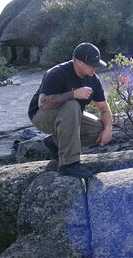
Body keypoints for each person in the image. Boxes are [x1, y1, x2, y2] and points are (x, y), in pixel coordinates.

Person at [28, 42, 113, 179]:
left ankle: (55, 142)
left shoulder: (93, 80)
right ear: (78, 62)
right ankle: (69, 164)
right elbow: (42, 103)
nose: (95, 68)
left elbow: (103, 108)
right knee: (72, 104)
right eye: (92, 64)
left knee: (98, 128)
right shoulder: (56, 73)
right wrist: (73, 94)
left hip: (68, 117)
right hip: (41, 116)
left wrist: (108, 128)